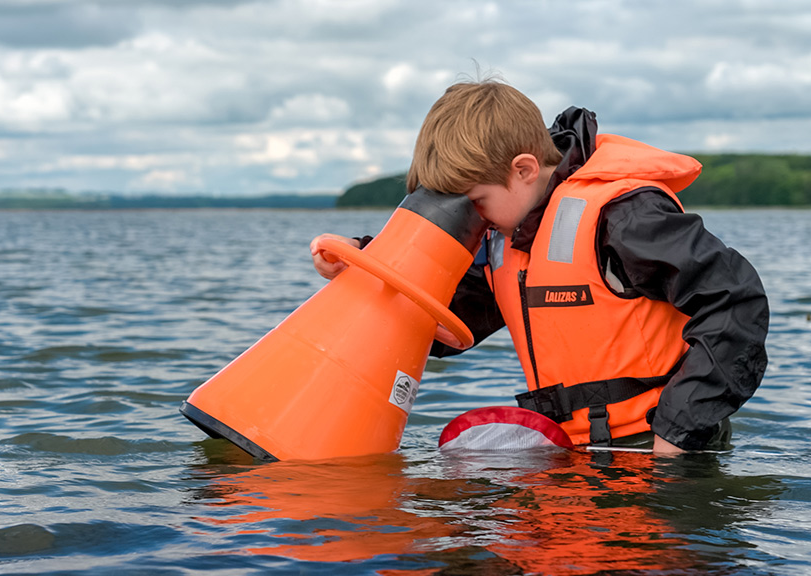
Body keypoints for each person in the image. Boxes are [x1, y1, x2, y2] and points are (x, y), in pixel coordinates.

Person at [311, 80, 769, 454]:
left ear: (525, 169)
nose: (470, 221)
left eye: (475, 203)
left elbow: (737, 303)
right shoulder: (503, 238)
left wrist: (680, 428)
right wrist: (370, 266)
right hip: (579, 454)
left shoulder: (625, 219)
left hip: (665, 449)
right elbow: (441, 318)